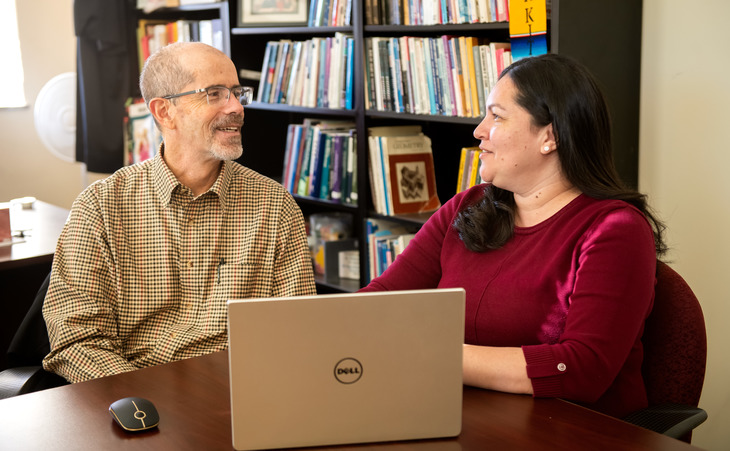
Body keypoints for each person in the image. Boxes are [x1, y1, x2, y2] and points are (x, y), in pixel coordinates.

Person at [360, 53, 666, 419]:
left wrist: (433, 354)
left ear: (549, 137)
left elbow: (583, 369)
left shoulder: (616, 230)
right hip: (463, 415)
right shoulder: (466, 207)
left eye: (497, 116)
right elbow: (378, 302)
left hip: (574, 433)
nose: (478, 130)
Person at [43, 42, 317, 383]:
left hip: (239, 394)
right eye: (215, 93)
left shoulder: (274, 205)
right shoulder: (100, 206)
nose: (236, 107)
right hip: (138, 399)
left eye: (235, 92)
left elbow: (298, 330)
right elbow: (77, 340)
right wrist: (144, 403)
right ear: (163, 111)